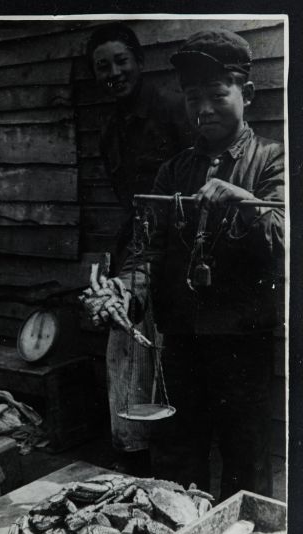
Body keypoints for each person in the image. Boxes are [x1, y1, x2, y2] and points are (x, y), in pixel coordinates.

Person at [119, 29, 285, 499]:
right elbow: (146, 251)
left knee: (245, 457)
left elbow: (283, 239)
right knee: (178, 455)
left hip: (242, 341)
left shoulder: (273, 159)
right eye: (193, 97)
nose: (204, 109)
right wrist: (123, 293)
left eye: (216, 94)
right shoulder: (174, 171)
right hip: (182, 341)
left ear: (246, 94)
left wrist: (242, 199)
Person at [86, 23, 190, 475]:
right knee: (126, 345)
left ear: (140, 62)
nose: (113, 73)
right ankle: (135, 458)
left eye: (121, 61)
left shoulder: (171, 109)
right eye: (102, 67)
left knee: (171, 356)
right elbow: (127, 200)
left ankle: (172, 463)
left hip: (180, 247)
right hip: (139, 248)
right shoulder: (109, 130)